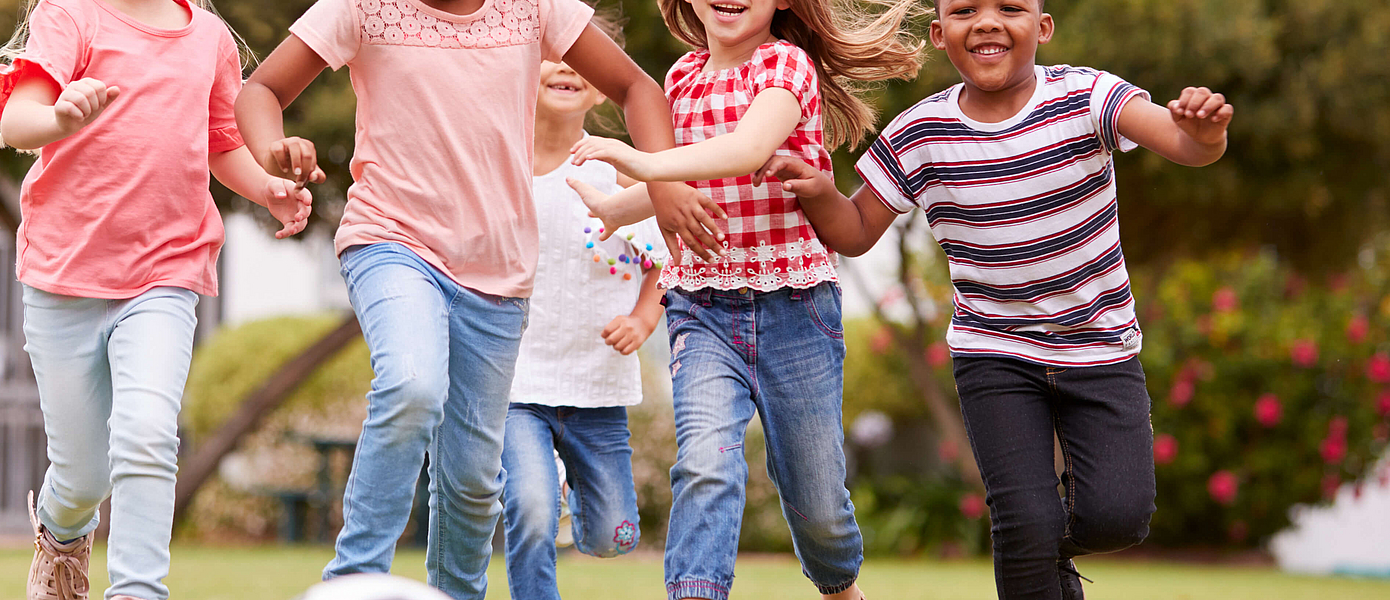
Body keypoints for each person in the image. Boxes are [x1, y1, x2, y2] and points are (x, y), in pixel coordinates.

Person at [758, 0, 1235, 597]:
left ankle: (1041, 554)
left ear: (1043, 27)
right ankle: (1032, 549)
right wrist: (822, 192)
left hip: (1101, 346)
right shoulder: (919, 134)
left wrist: (1205, 134)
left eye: (1010, 7)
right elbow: (854, 234)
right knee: (1024, 521)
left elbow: (1187, 147)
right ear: (938, 34)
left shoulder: (1089, 97)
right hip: (994, 354)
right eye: (964, 10)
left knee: (1119, 515)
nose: (986, 21)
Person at [232, 1, 682, 598]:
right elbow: (260, 89)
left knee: (471, 481)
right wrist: (272, 149)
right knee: (412, 384)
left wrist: (666, 186)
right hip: (391, 239)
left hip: (496, 271)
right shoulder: (363, 7)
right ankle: (353, 580)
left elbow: (637, 88)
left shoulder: (534, 8)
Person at [565, 0, 927, 597]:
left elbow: (746, 150)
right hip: (702, 305)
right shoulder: (681, 78)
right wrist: (618, 206)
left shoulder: (784, 66)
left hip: (796, 308)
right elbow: (686, 183)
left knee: (818, 503)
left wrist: (640, 161)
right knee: (705, 466)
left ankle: (839, 586)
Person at [0, 1, 312, 598]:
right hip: (64, 277)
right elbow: (16, 122)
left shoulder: (209, 36)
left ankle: (137, 590)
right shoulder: (72, 16)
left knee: (147, 432)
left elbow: (221, 143)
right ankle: (60, 539)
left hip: (166, 271)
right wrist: (59, 116)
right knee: (84, 475)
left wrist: (267, 188)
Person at [500, 23, 670, 600]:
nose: (569, 68)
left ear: (602, 89)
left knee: (612, 538)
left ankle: (576, 494)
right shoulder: (500, 170)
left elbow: (660, 263)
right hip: (516, 383)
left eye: (583, 62)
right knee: (528, 508)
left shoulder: (615, 174)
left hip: (597, 388)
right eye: (552, 57)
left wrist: (643, 320)